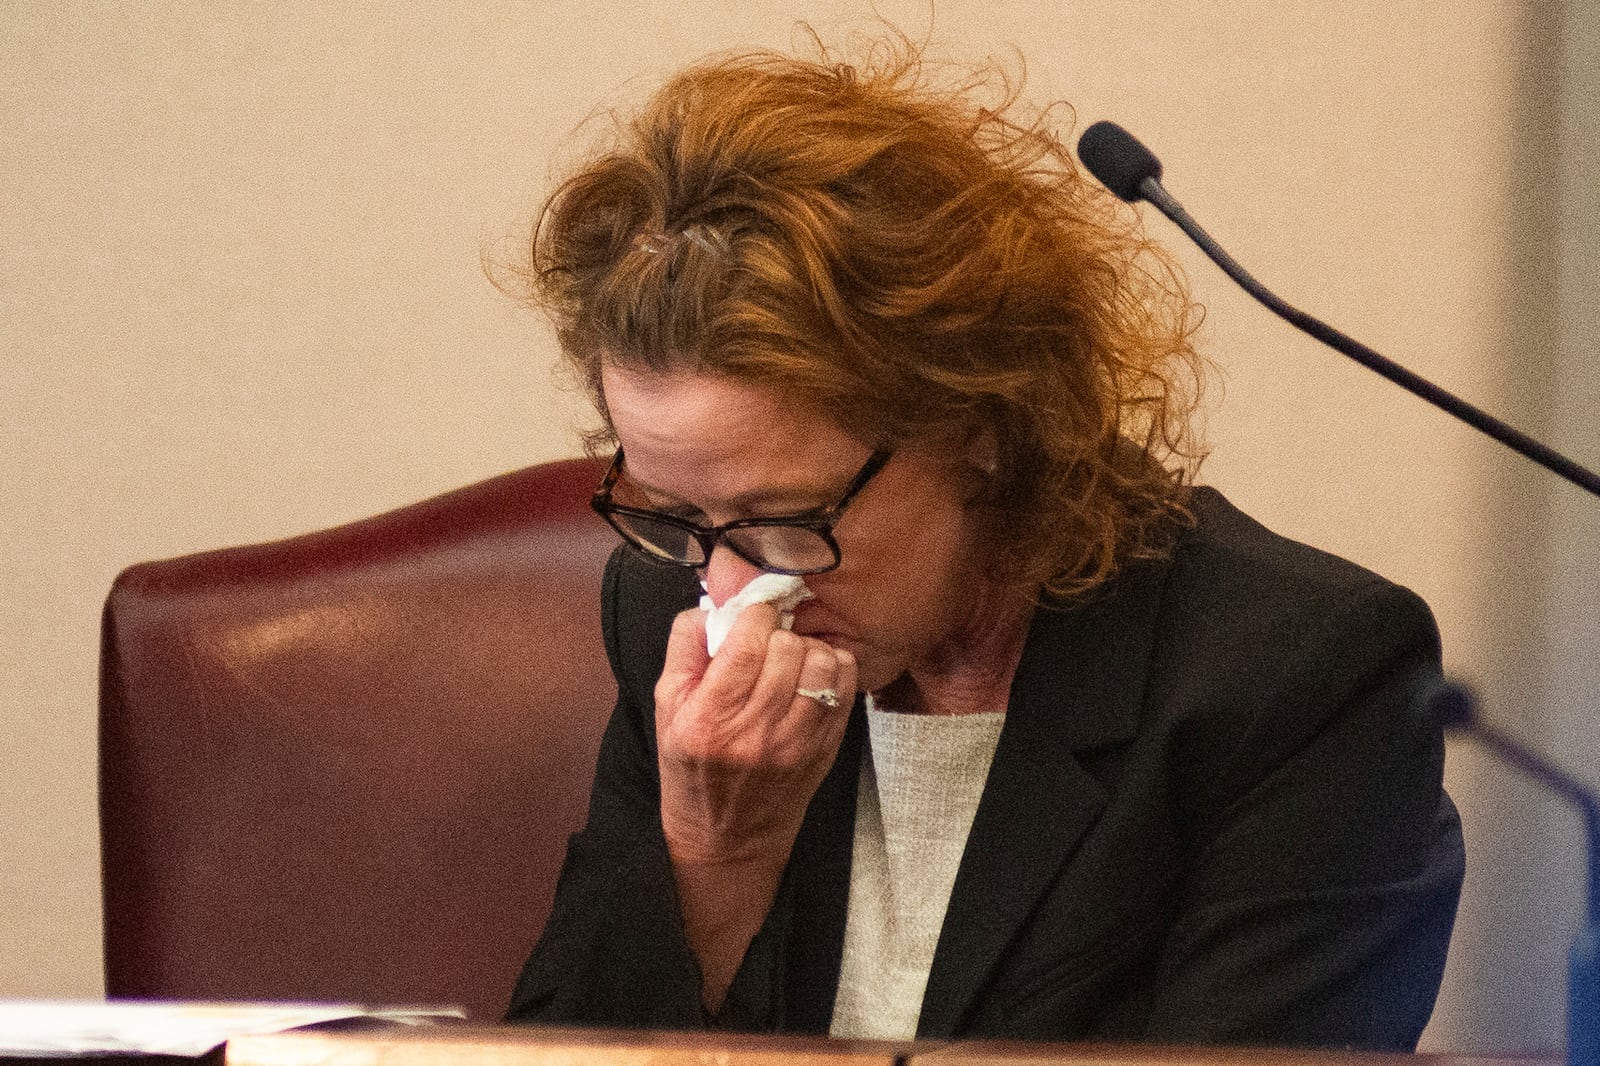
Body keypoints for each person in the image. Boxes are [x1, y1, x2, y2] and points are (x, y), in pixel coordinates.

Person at [501, 34, 1464, 1050]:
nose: (733, 589)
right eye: (680, 519)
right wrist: (713, 861)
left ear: (984, 424)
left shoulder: (1293, 680)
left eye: (788, 520)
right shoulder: (666, 614)